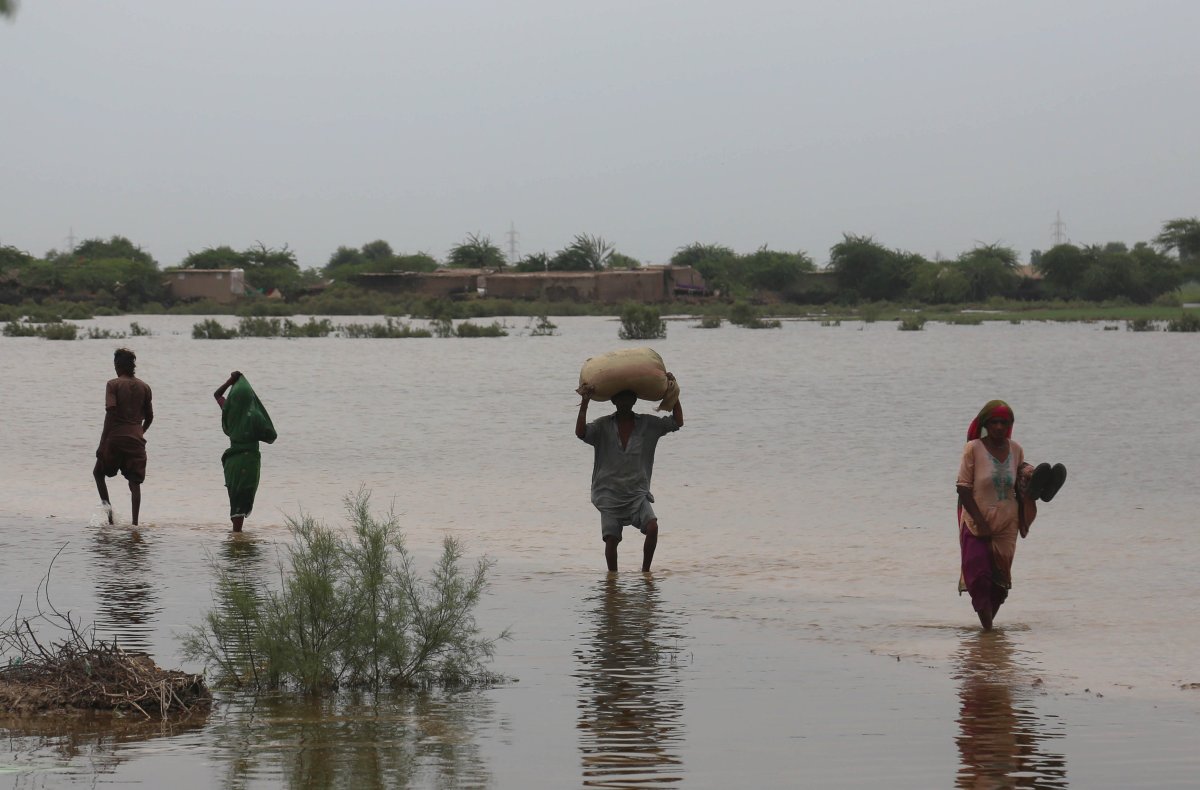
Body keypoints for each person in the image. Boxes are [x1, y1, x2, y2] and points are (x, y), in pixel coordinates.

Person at [955, 400, 1066, 630]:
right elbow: (963, 488)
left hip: (1007, 522)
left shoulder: (1016, 449)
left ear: (1010, 425)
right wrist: (980, 521)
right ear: (986, 424)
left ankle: (1039, 484)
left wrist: (1026, 486)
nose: (998, 427)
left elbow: (1013, 485)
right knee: (978, 575)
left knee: (999, 584)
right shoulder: (973, 449)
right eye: (994, 422)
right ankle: (988, 630)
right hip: (977, 521)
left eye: (1003, 423)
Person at [576, 374, 683, 572]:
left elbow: (677, 422)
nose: (624, 402)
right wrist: (585, 401)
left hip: (636, 493)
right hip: (608, 493)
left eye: (628, 398)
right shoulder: (602, 426)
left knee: (653, 527)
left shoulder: (648, 425)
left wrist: (673, 391)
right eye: (620, 399)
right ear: (614, 402)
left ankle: (646, 574)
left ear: (634, 400)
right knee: (611, 539)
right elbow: (581, 433)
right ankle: (612, 579)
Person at [93, 348, 153, 526]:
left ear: (118, 365)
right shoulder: (144, 387)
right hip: (136, 439)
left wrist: (102, 443)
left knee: (98, 473)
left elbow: (111, 413)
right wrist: (139, 432)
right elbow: (149, 417)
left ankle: (110, 518)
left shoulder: (113, 384)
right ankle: (135, 524)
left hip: (115, 438)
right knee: (135, 482)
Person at [213, 371, 277, 532]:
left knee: (235, 499)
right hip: (249, 461)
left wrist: (230, 381)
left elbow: (217, 394)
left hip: (232, 462)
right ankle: (237, 536)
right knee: (244, 497)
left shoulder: (229, 409)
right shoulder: (255, 416)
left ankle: (236, 535)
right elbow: (271, 436)